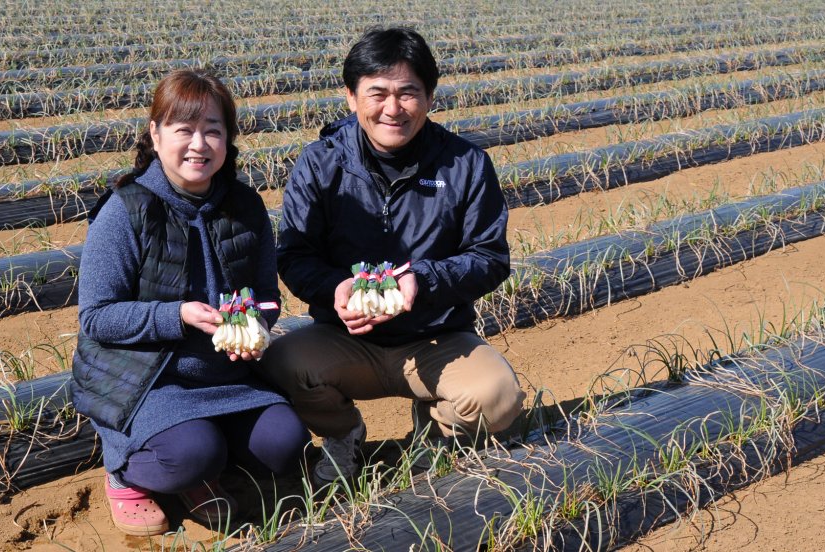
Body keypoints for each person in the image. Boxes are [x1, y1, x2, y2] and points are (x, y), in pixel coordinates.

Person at [260, 28, 526, 485]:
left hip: (436, 338)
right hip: (346, 337)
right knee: (276, 364)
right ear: (351, 97)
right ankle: (343, 432)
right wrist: (336, 288)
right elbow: (296, 254)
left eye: (407, 93)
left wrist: (424, 280)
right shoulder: (321, 163)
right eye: (377, 93)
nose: (393, 108)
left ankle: (435, 430)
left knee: (497, 398)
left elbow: (490, 257)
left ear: (429, 97)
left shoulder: (464, 164)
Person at [70, 69, 310, 535]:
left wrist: (254, 330)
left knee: (286, 444)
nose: (199, 144)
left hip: (225, 375)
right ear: (156, 134)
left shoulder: (245, 206)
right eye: (184, 129)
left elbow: (266, 295)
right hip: (146, 379)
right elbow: (96, 318)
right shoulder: (126, 210)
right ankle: (125, 474)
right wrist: (177, 316)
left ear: (228, 139)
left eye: (213, 130)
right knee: (192, 455)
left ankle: (201, 466)